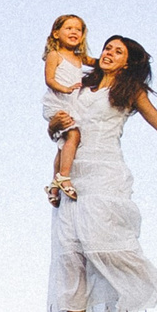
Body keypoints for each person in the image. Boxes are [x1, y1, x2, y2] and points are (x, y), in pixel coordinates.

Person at [45, 36, 157, 312]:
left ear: (127, 63)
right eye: (107, 48)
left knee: (101, 244)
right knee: (70, 252)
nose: (109, 53)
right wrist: (54, 134)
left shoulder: (130, 91)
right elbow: (61, 133)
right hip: (72, 174)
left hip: (105, 173)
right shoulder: (79, 87)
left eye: (118, 51)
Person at [41, 13, 96, 205]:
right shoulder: (54, 55)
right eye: (69, 28)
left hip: (72, 103)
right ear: (56, 34)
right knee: (73, 135)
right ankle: (64, 177)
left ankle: (54, 186)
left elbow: (97, 63)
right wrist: (65, 89)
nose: (74, 32)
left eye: (78, 30)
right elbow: (49, 79)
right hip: (58, 101)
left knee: (64, 145)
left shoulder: (79, 57)